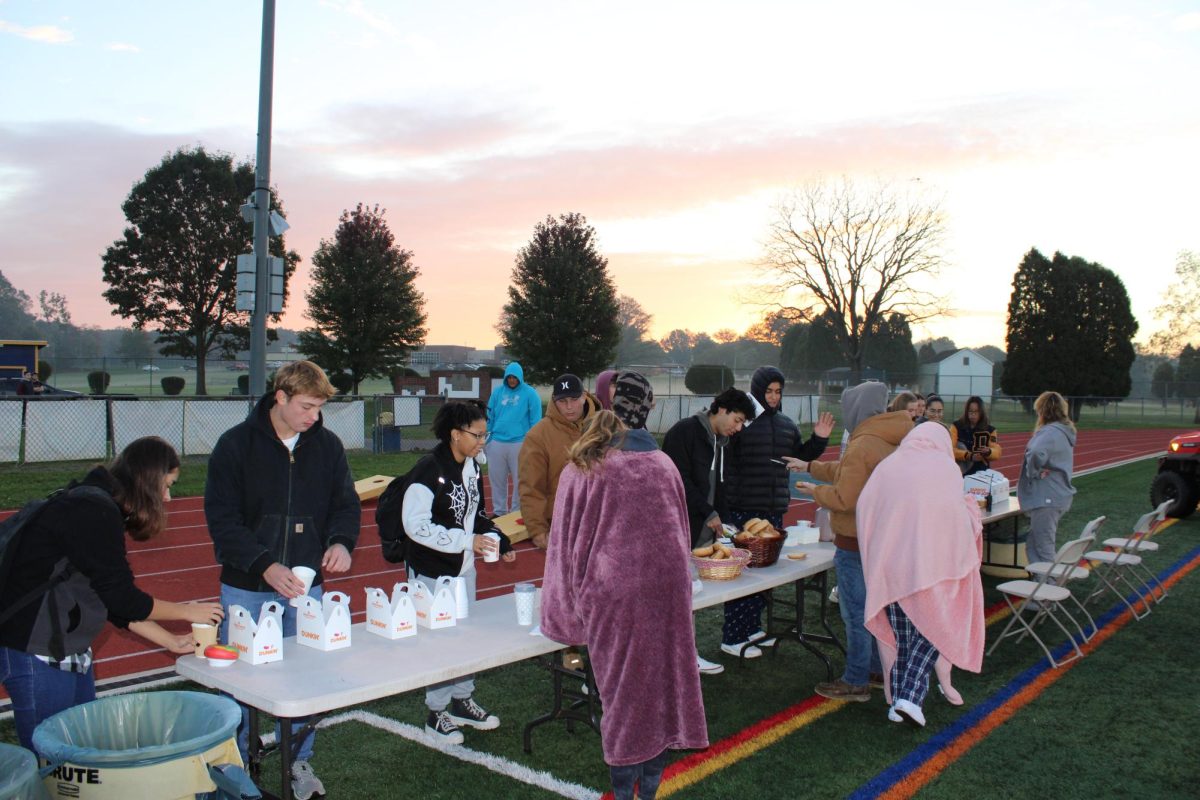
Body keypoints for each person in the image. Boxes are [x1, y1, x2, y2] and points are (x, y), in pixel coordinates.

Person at [0, 437, 224, 752]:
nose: (168, 497)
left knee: (79, 750)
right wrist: (188, 611)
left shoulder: (93, 505)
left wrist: (172, 642)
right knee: (50, 756)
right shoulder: (93, 511)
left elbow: (109, 600)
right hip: (36, 652)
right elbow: (122, 598)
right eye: (166, 485)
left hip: (64, 649)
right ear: (146, 482)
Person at [205, 360, 361, 800]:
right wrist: (264, 565)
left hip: (307, 588)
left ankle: (298, 760)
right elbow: (222, 520)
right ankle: (233, 766)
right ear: (281, 397)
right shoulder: (234, 445)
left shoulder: (327, 446)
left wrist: (341, 542)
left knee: (304, 677)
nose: (313, 417)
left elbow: (345, 504)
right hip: (246, 586)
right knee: (238, 682)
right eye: (306, 407)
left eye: (318, 408)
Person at [542, 391, 707, 800]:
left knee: (624, 701)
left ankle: (625, 790)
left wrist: (564, 619)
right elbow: (682, 533)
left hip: (614, 599)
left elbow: (563, 547)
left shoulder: (583, 469)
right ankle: (647, 792)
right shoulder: (662, 463)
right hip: (667, 595)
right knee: (662, 694)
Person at [403, 400, 516, 745]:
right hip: (432, 572)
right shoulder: (427, 470)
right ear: (455, 434)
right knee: (439, 641)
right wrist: (467, 541)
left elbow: (476, 515)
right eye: (477, 434)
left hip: (463, 568)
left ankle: (462, 699)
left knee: (466, 635)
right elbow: (415, 526)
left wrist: (500, 539)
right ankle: (435, 712)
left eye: (485, 433)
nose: (483, 440)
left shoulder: (470, 468)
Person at [858, 422, 985, 727]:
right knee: (935, 629)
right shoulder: (945, 468)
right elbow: (957, 517)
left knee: (904, 636)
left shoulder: (889, 466)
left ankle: (901, 700)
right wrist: (971, 508)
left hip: (892, 570)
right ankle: (910, 699)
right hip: (934, 567)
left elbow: (866, 507)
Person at [793, 381, 912, 702]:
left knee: (856, 614)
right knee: (875, 612)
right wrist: (811, 466)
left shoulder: (862, 444)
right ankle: (874, 668)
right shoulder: (887, 438)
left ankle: (856, 679)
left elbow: (845, 496)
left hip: (855, 542)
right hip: (880, 540)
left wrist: (813, 490)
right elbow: (848, 471)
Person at [724, 366, 834, 657]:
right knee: (743, 574)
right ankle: (733, 636)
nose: (773, 397)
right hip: (744, 508)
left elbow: (800, 457)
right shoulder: (742, 423)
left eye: (778, 392)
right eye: (768, 391)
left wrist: (820, 440)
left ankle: (752, 629)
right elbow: (725, 459)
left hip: (774, 510)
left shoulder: (787, 424)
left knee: (765, 575)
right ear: (759, 390)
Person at [662, 387, 757, 675]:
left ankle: (685, 655)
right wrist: (709, 513)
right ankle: (682, 657)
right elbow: (680, 483)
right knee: (677, 598)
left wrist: (725, 521)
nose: (738, 428)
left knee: (687, 597)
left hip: (702, 526)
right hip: (679, 526)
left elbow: (721, 486)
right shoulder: (685, 432)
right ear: (722, 409)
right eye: (737, 420)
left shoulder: (720, 442)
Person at [518, 373, 599, 550]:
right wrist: (537, 529)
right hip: (561, 526)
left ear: (584, 397)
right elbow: (531, 487)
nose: (569, 407)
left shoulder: (602, 428)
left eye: (574, 399)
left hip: (600, 526)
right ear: (554, 401)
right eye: (562, 401)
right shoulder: (538, 436)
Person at [1017, 391, 1077, 564]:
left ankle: (1049, 586)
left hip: (1047, 498)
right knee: (1033, 546)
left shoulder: (1049, 433)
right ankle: (1041, 584)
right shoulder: (1062, 431)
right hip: (1055, 496)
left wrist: (1034, 471)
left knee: (1043, 549)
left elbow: (1036, 452)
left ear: (1042, 411)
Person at [484, 362, 542, 517]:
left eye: (514, 377)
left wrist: (532, 443)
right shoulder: (497, 393)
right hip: (497, 443)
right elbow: (490, 415)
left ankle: (516, 512)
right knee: (497, 480)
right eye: (509, 377)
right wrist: (488, 438)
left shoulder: (530, 393)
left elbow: (535, 420)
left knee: (520, 481)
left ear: (520, 377)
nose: (511, 380)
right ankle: (499, 512)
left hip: (520, 443)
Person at [950, 396, 1001, 476]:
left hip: (981, 473)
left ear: (981, 412)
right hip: (960, 472)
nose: (973, 415)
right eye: (970, 411)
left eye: (976, 412)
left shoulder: (990, 430)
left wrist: (989, 452)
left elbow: (997, 452)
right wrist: (970, 456)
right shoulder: (956, 426)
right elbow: (950, 449)